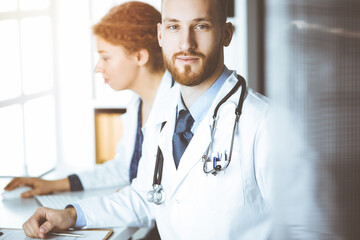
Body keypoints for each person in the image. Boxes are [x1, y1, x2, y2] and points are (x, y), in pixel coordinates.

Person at [22, 0, 272, 239]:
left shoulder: (266, 123)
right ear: (161, 34)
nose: (186, 43)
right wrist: (71, 214)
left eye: (201, 26)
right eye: (174, 26)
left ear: (226, 34)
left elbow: (302, 229)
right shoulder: (164, 112)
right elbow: (145, 196)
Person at [4, 2, 170, 197]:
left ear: (140, 56)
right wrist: (53, 185)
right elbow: (123, 168)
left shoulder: (182, 107)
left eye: (106, 57)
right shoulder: (137, 104)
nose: (98, 67)